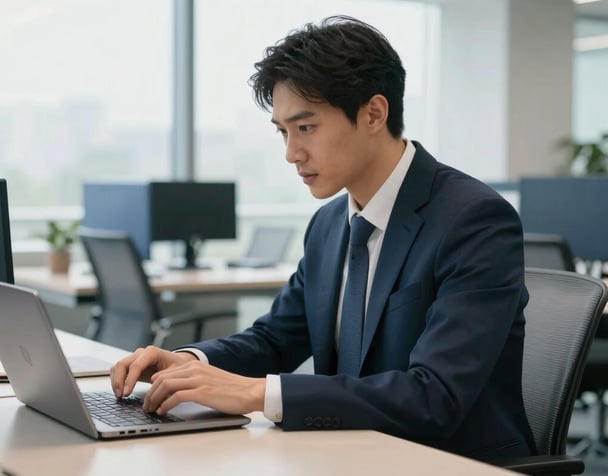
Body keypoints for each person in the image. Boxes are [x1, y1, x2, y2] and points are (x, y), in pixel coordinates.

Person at [110, 15, 535, 462]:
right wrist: (192, 362)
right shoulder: (330, 223)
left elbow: (434, 396)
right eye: (283, 132)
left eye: (306, 127)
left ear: (374, 113)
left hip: (448, 462)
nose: (292, 153)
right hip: (347, 453)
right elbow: (275, 340)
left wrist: (257, 394)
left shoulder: (474, 220)